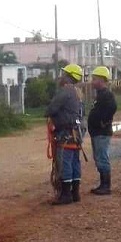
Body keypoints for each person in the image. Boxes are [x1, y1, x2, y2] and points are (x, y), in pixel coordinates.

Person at [45, 64, 84, 205]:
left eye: (63, 74)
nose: (61, 77)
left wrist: (49, 114)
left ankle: (66, 194)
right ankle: (75, 193)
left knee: (65, 163)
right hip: (76, 133)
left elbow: (51, 109)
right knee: (74, 162)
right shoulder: (77, 92)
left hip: (66, 133)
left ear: (68, 76)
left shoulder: (65, 91)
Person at [88, 66, 117, 195]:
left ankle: (106, 186)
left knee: (102, 157)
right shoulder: (100, 94)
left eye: (94, 79)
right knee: (98, 158)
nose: (92, 82)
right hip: (96, 132)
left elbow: (112, 108)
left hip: (101, 132)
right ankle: (103, 184)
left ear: (101, 80)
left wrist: (103, 122)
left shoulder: (106, 94)